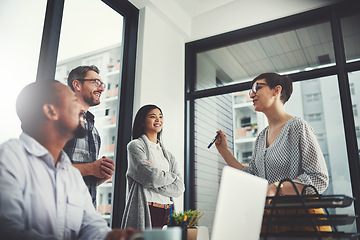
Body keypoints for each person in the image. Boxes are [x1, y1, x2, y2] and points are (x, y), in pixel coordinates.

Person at [0, 80, 139, 240]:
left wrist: (113, 237)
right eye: (74, 101)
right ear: (51, 111)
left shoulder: (71, 174)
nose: (81, 109)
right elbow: (7, 231)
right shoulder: (9, 158)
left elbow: (92, 228)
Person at [214, 73, 330, 232]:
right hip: (270, 223)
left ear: (276, 91)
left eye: (257, 87)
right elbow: (252, 176)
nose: (252, 94)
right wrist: (224, 151)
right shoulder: (261, 137)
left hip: (302, 223)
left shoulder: (298, 127)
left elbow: (319, 177)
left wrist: (277, 188)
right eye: (250, 90)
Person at [121, 104, 185, 230]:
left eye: (160, 117)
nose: (158, 120)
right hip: (147, 208)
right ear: (142, 122)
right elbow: (151, 177)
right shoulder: (135, 146)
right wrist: (172, 177)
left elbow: (179, 188)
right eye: (152, 116)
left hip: (167, 210)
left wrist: (155, 179)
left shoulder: (168, 155)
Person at [64, 65, 115, 207]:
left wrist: (102, 174)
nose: (102, 89)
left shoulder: (94, 131)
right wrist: (91, 168)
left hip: (86, 212)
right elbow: (47, 170)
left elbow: (86, 181)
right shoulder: (62, 120)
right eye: (95, 82)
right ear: (77, 85)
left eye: (102, 84)